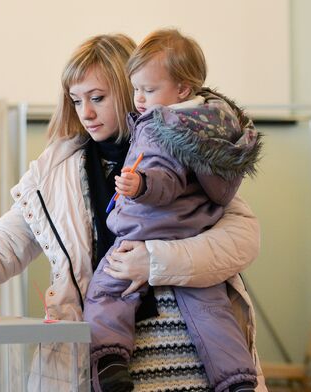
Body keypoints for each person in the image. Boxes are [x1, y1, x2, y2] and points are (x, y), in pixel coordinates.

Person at [0, 34, 267, 391]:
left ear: (131, 88)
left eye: (97, 98)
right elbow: (3, 247)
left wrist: (153, 260)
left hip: (197, 359)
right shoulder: (53, 173)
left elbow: (240, 239)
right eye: (76, 100)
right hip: (98, 367)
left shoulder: (185, 148)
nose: (86, 113)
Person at [84, 28, 261, 392]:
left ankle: (110, 361)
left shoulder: (161, 126)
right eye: (137, 90)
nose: (140, 100)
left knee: (106, 291)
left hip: (147, 229)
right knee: (213, 313)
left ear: (182, 89)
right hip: (188, 231)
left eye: (147, 90)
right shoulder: (209, 126)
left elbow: (166, 178)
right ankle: (237, 381)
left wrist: (142, 185)